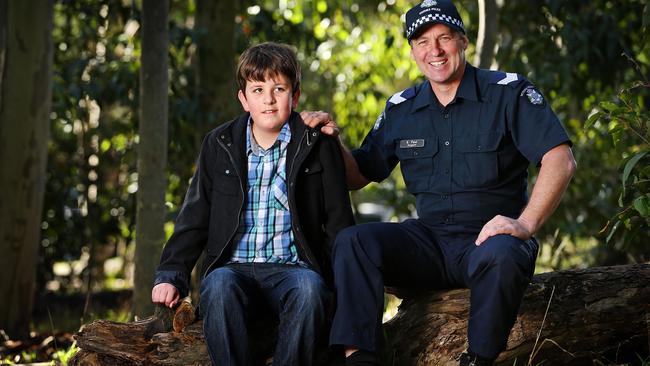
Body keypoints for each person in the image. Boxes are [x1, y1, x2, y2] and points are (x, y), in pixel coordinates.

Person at [301, 1, 576, 365]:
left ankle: (478, 358)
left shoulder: (507, 93)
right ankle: (360, 359)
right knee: (355, 241)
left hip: (486, 240)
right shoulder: (402, 108)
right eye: (422, 42)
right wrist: (330, 140)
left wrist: (524, 224)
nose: (434, 50)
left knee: (504, 252)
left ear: (462, 41)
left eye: (444, 38)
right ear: (413, 51)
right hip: (428, 242)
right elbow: (359, 175)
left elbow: (560, 158)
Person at [151, 42, 355, 366]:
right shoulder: (219, 144)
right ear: (244, 99)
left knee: (310, 290)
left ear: (296, 96)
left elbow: (339, 223)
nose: (269, 99)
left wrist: (346, 295)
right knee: (216, 286)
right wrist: (171, 273)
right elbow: (196, 212)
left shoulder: (318, 144)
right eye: (258, 90)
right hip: (233, 269)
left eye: (279, 88)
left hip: (294, 269)